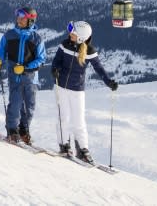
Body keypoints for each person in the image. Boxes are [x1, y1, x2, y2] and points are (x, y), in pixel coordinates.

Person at [51, 20, 118, 164]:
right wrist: (54, 69)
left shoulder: (89, 52)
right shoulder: (64, 44)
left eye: (73, 32)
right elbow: (56, 61)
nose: (70, 33)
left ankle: (83, 149)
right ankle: (64, 145)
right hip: (61, 86)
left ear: (81, 37)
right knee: (63, 118)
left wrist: (109, 82)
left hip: (77, 90)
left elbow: (99, 69)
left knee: (79, 120)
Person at [0, 6, 46, 144]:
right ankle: (12, 130)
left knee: (29, 106)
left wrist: (26, 67)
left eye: (22, 18)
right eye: (18, 17)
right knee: (16, 103)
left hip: (30, 78)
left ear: (30, 20)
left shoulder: (36, 38)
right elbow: (1, 51)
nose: (19, 20)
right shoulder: (9, 35)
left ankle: (24, 129)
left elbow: (41, 59)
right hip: (14, 77)